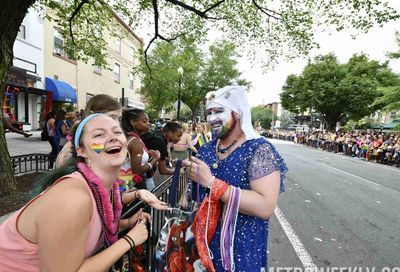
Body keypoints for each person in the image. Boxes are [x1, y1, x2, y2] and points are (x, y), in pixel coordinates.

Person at [0, 114, 150, 271]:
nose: (113, 138)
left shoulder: (103, 187)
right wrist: (129, 241)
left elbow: (90, 232)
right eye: (99, 134)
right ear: (82, 151)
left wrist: (125, 224)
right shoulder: (72, 198)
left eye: (117, 132)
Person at [182, 86, 288, 272]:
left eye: (219, 111)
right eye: (209, 112)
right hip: (202, 245)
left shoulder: (259, 150)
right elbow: (194, 193)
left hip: (240, 251)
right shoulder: (206, 148)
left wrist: (212, 183)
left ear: (238, 113)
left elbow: (265, 207)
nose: (212, 118)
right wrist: (186, 194)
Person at [55, 94, 123, 168]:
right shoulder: (70, 152)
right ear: (92, 115)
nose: (117, 123)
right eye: (111, 117)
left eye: (119, 119)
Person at [120, 108, 161, 191]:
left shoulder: (130, 137)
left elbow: (132, 155)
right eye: (144, 122)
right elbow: (137, 171)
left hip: (126, 184)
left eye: (148, 121)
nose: (148, 124)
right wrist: (155, 160)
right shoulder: (135, 142)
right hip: (134, 186)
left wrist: (146, 153)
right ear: (132, 122)